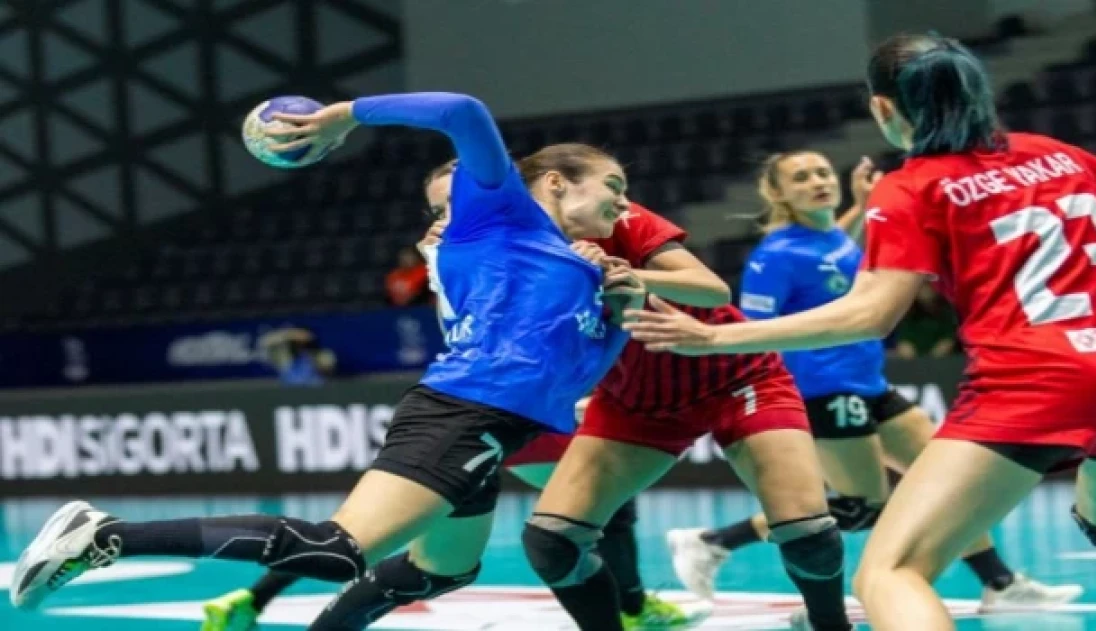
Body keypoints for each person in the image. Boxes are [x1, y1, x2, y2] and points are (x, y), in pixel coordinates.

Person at [624, 32, 1096, 631]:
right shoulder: (1057, 154)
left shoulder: (913, 186)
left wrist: (712, 338)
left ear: (883, 108)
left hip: (1039, 382)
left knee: (890, 573)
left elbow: (869, 314)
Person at [10, 92, 646, 631]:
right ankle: (104, 535)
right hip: (465, 414)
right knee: (335, 550)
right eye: (614, 187)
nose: (623, 203)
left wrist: (622, 313)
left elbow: (573, 378)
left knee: (444, 569)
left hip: (500, 426)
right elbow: (462, 111)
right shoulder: (502, 215)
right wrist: (342, 116)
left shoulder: (573, 267)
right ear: (555, 183)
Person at [200, 165, 696, 631]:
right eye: (440, 210)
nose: (449, 217)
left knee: (413, 548)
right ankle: (633, 609)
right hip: (507, 412)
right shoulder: (470, 255)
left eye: (458, 203)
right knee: (585, 512)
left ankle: (255, 598)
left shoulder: (544, 237)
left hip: (520, 408)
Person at [665, 149, 1082, 611]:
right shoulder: (776, 256)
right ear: (779, 194)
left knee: (949, 481)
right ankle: (714, 541)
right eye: (801, 178)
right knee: (862, 507)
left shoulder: (834, 235)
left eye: (822, 172)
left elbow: (830, 257)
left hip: (871, 384)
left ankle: (1001, 584)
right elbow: (751, 328)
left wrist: (860, 208)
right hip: (824, 390)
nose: (817, 182)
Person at [522, 204, 856, 631]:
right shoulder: (504, 253)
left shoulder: (622, 217)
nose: (619, 197)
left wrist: (627, 275)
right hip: (636, 401)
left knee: (809, 535)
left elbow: (713, 289)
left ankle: (830, 625)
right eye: (612, 186)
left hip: (733, 376)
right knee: (553, 541)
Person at [260, 327, 337, 386]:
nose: (299, 345)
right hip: (289, 392)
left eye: (302, 343)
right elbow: (264, 342)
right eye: (295, 343)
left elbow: (328, 369)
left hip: (315, 391)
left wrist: (312, 359)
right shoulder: (283, 357)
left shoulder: (322, 355)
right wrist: (288, 335)